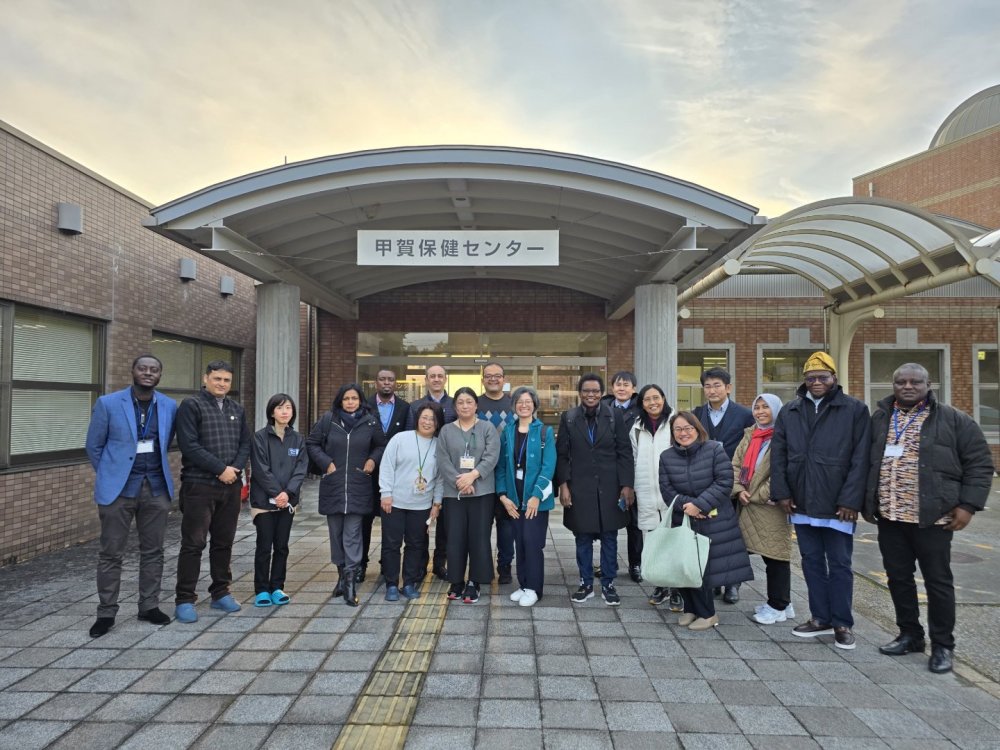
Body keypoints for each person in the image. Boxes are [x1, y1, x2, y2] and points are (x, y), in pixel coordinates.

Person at [863, 363, 993, 674]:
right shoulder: (881, 417)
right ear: (893, 385)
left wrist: (969, 505)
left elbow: (979, 463)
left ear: (928, 384)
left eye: (915, 382)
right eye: (901, 381)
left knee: (938, 582)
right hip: (890, 515)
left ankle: (943, 646)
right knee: (898, 578)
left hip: (933, 518)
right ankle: (910, 634)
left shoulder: (952, 419)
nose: (907, 386)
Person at [770, 351, 870, 650]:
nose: (816, 382)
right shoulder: (791, 411)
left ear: (833, 378)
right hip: (801, 501)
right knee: (811, 561)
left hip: (838, 503)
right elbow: (779, 456)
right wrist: (783, 493)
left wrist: (851, 500)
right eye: (811, 378)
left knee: (839, 563)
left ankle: (842, 622)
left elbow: (861, 458)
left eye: (822, 377)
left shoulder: (854, 410)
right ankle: (819, 617)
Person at [85, 355, 178, 638]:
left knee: (154, 551)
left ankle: (148, 606)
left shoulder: (169, 406)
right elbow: (94, 446)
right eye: (143, 368)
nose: (148, 373)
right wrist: (111, 474)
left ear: (160, 375)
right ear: (133, 371)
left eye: (154, 369)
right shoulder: (108, 403)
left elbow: (168, 442)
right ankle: (106, 612)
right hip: (119, 491)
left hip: (156, 488)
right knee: (111, 553)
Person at [173, 360, 252, 623]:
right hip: (199, 486)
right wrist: (220, 469)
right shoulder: (191, 405)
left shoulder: (236, 409)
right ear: (205, 378)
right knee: (193, 543)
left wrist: (236, 469)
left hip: (230, 487)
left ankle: (220, 592)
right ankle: (184, 598)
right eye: (217, 378)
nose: (222, 384)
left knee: (224, 542)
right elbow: (189, 445)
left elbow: (245, 443)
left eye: (227, 380)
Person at [659, 411, 752, 630]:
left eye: (688, 428)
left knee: (704, 569)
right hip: (684, 518)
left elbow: (724, 481)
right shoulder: (666, 456)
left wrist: (700, 504)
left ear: (697, 428)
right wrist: (688, 506)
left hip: (714, 519)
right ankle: (691, 609)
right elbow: (666, 488)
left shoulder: (714, 450)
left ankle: (708, 614)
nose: (684, 433)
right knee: (684, 566)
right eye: (678, 429)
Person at [556, 373, 634, 606]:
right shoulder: (569, 418)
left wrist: (627, 485)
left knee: (610, 537)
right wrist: (564, 485)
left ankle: (608, 584)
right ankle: (586, 583)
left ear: (601, 393)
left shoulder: (614, 416)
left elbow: (625, 452)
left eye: (595, 391)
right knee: (582, 537)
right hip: (580, 487)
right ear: (580, 393)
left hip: (610, 487)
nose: (591, 395)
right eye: (586, 391)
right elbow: (562, 455)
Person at [307, 383, 386, 606]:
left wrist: (372, 461)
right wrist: (327, 464)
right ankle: (341, 575)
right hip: (333, 484)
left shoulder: (370, 421)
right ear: (340, 401)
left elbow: (381, 445)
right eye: (346, 398)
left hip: (359, 484)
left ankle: (351, 581)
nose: (350, 402)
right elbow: (312, 444)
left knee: (352, 534)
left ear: (361, 400)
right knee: (336, 534)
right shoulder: (328, 420)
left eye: (354, 398)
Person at [693, 367, 754, 604]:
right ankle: (714, 580)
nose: (712, 390)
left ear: (728, 388)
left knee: (732, 535)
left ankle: (732, 583)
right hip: (704, 483)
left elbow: (750, 451)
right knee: (709, 532)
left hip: (733, 483)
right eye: (707, 386)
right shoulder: (697, 414)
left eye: (717, 385)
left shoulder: (744, 415)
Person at [732, 394, 794, 625]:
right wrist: (739, 490)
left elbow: (783, 471)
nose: (760, 412)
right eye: (756, 407)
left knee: (775, 556)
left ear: (776, 410)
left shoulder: (783, 436)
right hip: (747, 503)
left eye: (765, 407)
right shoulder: (750, 434)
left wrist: (756, 495)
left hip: (771, 506)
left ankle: (778, 605)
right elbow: (735, 465)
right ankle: (782, 602)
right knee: (765, 555)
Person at [436, 386, 500, 603]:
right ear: (455, 406)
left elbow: (492, 456)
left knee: (479, 537)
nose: (465, 406)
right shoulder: (446, 431)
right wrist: (460, 481)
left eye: (469, 402)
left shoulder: (487, 428)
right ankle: (456, 580)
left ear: (476, 405)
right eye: (460, 402)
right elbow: (443, 460)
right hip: (454, 494)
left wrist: (472, 476)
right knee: (455, 537)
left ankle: (475, 580)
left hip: (482, 492)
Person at [496, 387, 556, 607]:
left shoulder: (544, 432)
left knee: (532, 543)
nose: (524, 405)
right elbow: (501, 467)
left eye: (528, 401)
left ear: (534, 405)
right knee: (519, 542)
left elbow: (548, 466)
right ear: (514, 406)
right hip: (514, 499)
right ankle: (523, 585)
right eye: (520, 401)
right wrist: (503, 496)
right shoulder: (508, 431)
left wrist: (536, 496)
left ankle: (534, 588)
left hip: (534, 500)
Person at [379, 402, 445, 601]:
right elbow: (387, 466)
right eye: (424, 417)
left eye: (432, 419)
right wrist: (386, 493)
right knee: (391, 544)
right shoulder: (400, 438)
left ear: (438, 423)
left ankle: (409, 582)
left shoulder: (438, 445)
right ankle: (391, 583)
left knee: (416, 544)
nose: (427, 422)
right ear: (417, 419)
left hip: (422, 505)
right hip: (395, 502)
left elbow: (440, 478)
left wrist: (436, 504)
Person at [249, 393, 308, 608]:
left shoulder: (298, 439)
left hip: (287, 502)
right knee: (264, 546)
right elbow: (261, 469)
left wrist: (288, 493)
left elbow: (301, 469)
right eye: (280, 408)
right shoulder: (260, 437)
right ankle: (262, 590)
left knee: (282, 546)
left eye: (289, 408)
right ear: (271, 411)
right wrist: (276, 493)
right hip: (264, 502)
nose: (285, 412)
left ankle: (277, 587)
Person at [629, 383, 682, 611]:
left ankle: (678, 590)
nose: (653, 403)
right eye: (647, 399)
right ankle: (661, 586)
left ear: (663, 398)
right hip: (646, 491)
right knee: (654, 542)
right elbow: (633, 459)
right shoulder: (637, 427)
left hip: (672, 490)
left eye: (656, 398)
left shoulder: (675, 422)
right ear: (641, 404)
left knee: (675, 541)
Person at [407, 364, 456, 580]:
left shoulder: (455, 404)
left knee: (445, 524)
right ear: (426, 380)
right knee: (421, 523)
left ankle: (440, 564)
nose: (436, 379)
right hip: (422, 473)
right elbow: (411, 436)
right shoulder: (415, 405)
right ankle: (420, 564)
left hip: (448, 472)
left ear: (445, 379)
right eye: (432, 376)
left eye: (440, 376)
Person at [364, 369, 410, 583]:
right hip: (367, 472)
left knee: (390, 522)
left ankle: (387, 565)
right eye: (382, 379)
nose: (386, 383)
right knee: (364, 520)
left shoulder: (404, 408)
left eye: (390, 379)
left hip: (395, 475)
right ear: (376, 382)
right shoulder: (364, 406)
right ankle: (360, 565)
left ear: (395, 383)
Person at [602, 371, 644, 583]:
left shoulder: (642, 410)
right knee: (608, 520)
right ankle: (608, 561)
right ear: (612, 388)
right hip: (608, 472)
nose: (621, 388)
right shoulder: (603, 408)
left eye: (626, 385)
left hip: (634, 471)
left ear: (633, 389)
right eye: (618, 385)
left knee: (634, 522)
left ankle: (635, 564)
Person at [478, 361, 517, 585]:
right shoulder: (477, 404)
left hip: (508, 475)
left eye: (498, 376)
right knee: (482, 527)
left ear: (504, 379)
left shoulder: (514, 403)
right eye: (489, 376)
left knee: (506, 528)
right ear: (483, 379)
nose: (493, 379)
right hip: (481, 475)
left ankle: (505, 567)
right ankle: (482, 568)